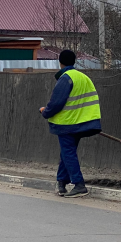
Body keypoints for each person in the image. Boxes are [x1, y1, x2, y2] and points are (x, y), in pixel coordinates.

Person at [39, 50, 101, 198]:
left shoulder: (66, 78)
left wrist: (45, 112)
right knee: (67, 152)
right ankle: (61, 183)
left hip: (68, 123)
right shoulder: (83, 77)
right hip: (82, 122)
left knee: (68, 153)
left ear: (60, 62)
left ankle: (79, 184)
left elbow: (56, 103)